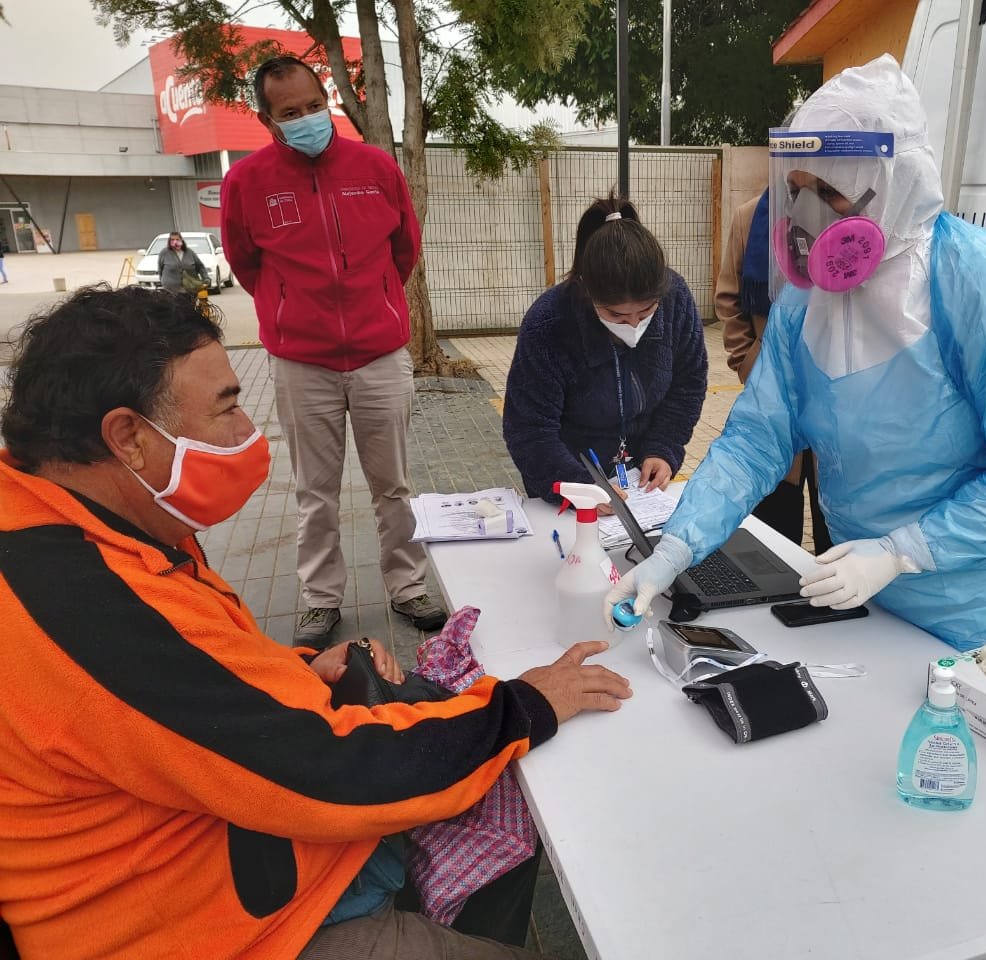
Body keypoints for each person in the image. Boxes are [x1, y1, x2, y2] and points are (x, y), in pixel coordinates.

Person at [0, 285, 632, 960]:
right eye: (228, 408)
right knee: (494, 772)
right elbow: (329, 767)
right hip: (212, 927)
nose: (249, 430)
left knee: (487, 799)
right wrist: (524, 704)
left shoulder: (79, 524)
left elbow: (188, 691)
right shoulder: (74, 605)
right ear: (128, 437)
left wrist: (297, 669)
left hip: (227, 849)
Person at [606, 55, 986, 677]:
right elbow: (757, 438)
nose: (809, 214)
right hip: (866, 585)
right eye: (799, 189)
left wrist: (903, 552)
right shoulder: (806, 301)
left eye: (829, 192)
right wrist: (676, 546)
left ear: (896, 183)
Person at [221, 55, 447, 647]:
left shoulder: (375, 168)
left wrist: (375, 307)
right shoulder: (246, 182)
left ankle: (408, 585)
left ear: (328, 100)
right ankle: (320, 599)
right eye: (289, 113)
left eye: (314, 106)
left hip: (379, 357)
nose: (306, 119)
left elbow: (405, 251)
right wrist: (291, 309)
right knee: (314, 492)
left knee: (393, 485)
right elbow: (246, 264)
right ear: (267, 120)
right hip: (302, 364)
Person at [502, 193, 708, 503]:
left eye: (646, 311)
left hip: (641, 483)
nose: (633, 324)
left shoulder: (675, 298)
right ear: (586, 289)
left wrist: (664, 448)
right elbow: (529, 430)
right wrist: (578, 487)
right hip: (571, 475)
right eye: (616, 315)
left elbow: (688, 385)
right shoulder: (548, 324)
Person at [716, 188, 831, 553]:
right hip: (774, 393)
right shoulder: (751, 216)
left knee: (837, 525)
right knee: (774, 527)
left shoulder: (852, 216)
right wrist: (749, 360)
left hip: (838, 393)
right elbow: (729, 299)